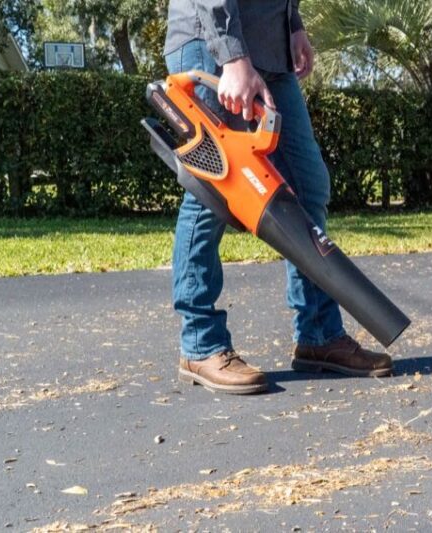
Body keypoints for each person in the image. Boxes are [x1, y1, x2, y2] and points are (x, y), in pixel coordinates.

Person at [164, 0, 393, 394]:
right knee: (213, 191)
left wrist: (293, 24)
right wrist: (232, 56)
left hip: (271, 49)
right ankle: (200, 343)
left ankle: (318, 335)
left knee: (308, 187)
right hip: (212, 43)